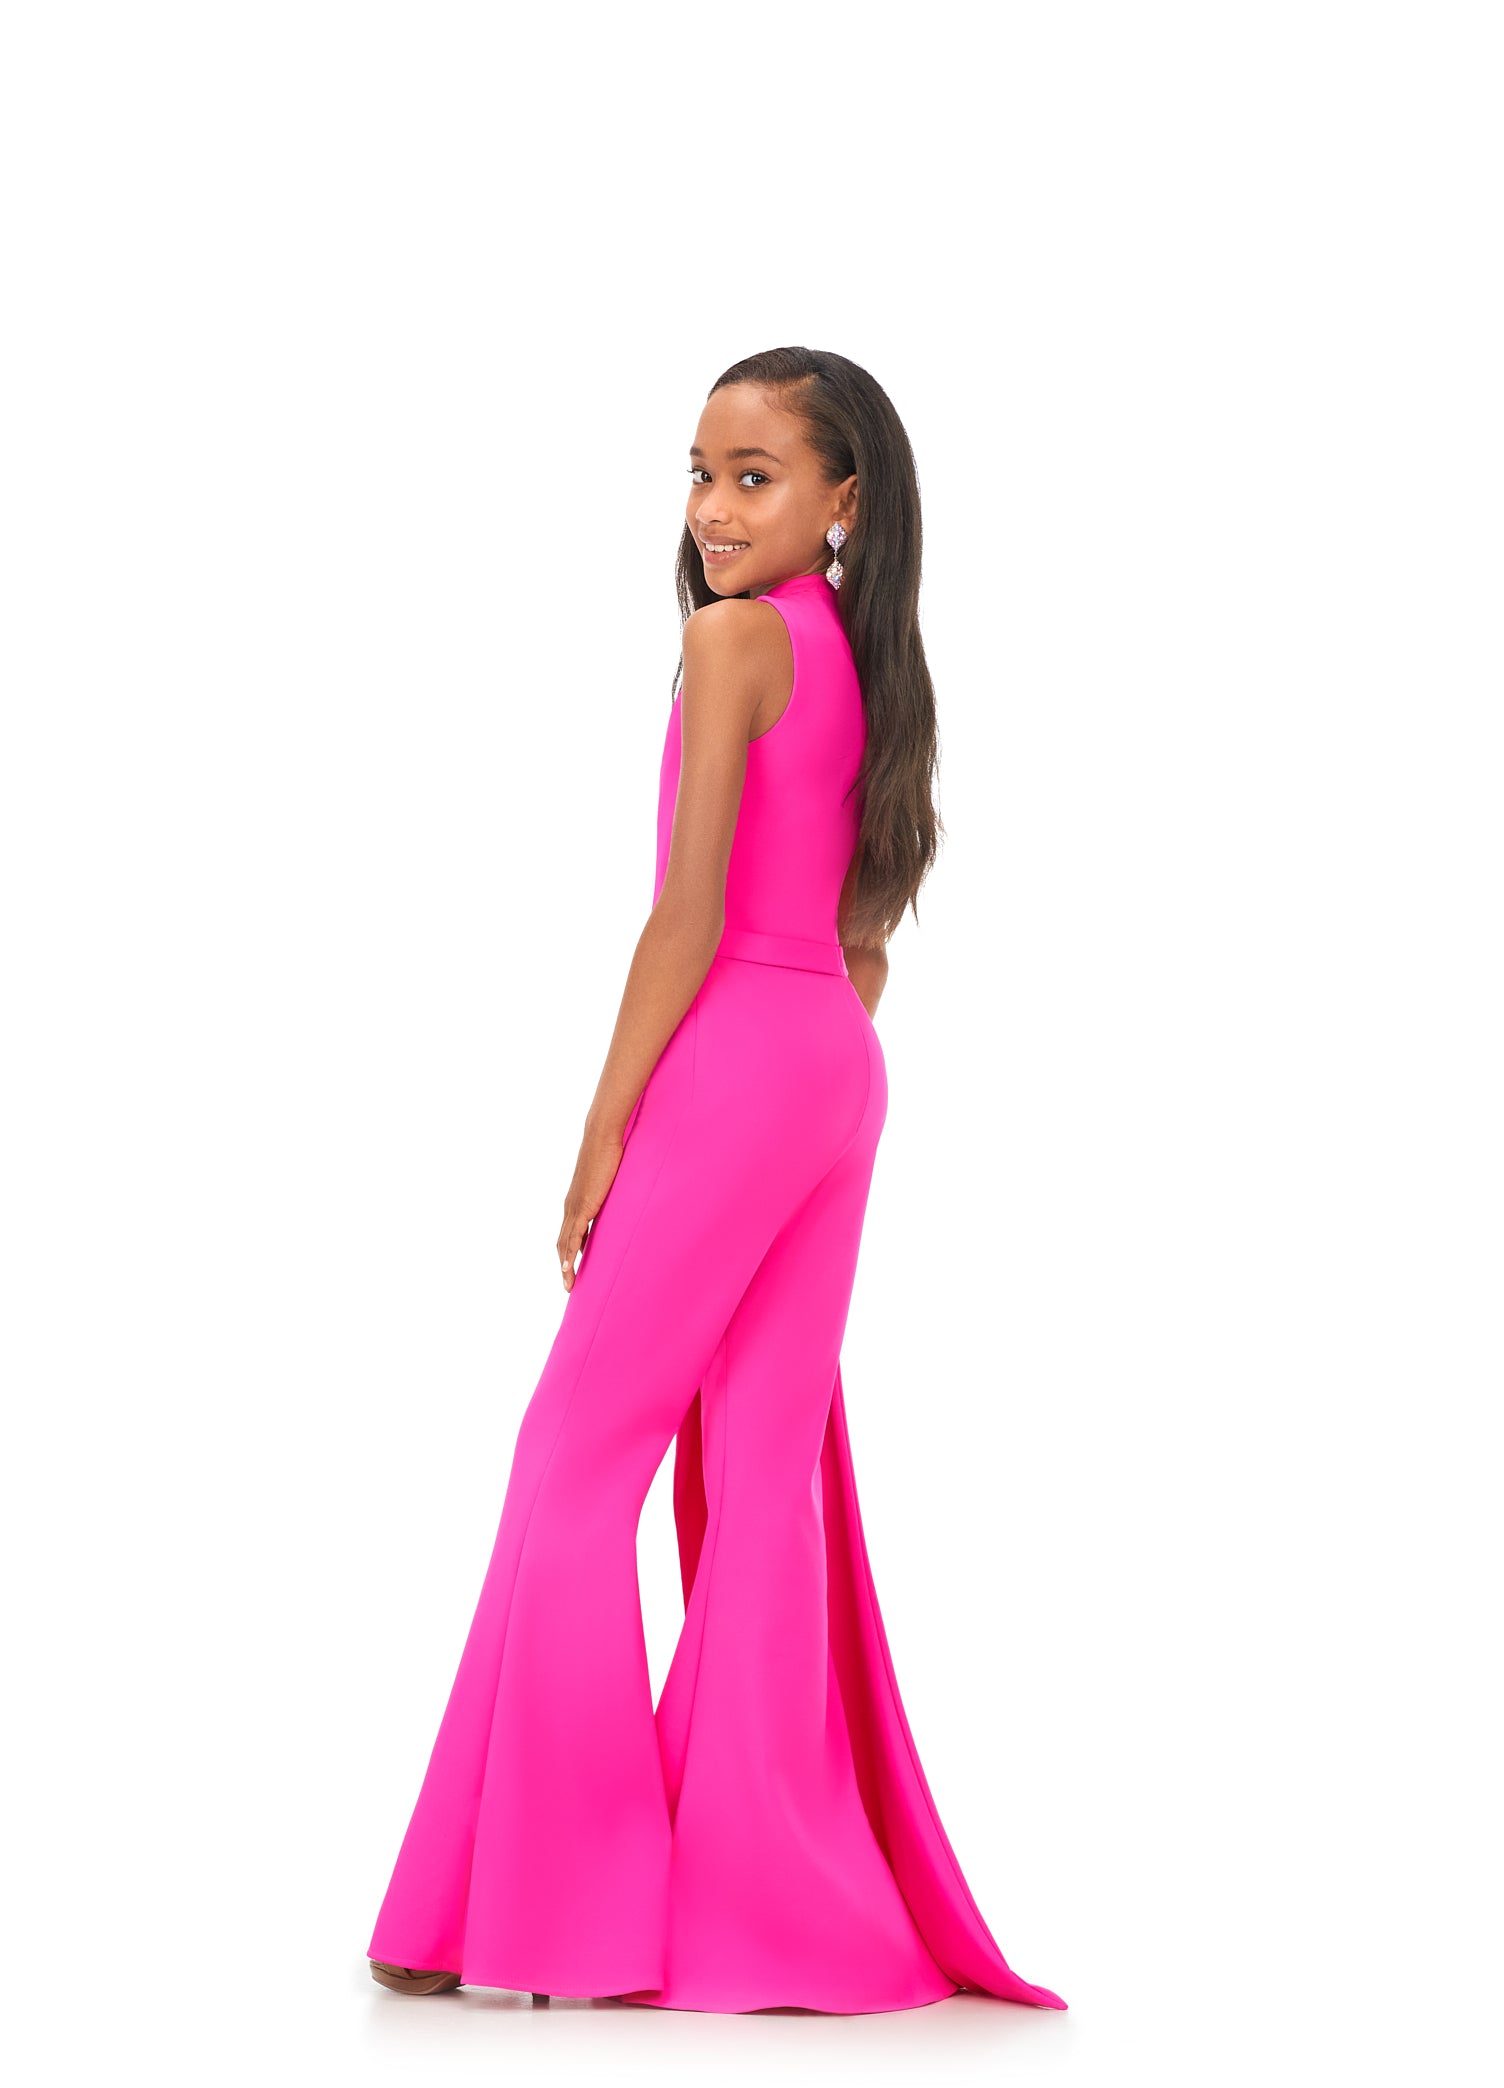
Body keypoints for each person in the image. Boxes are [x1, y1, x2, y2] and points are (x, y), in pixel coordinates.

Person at [366, 345, 1067, 2017]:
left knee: (572, 1460)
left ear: (844, 500)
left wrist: (605, 1131)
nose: (714, 509)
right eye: (699, 473)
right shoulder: (867, 659)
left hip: (740, 1060)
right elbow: (861, 936)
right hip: (833, 1067)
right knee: (765, 1473)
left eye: (755, 476)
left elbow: (685, 918)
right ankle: (771, 1906)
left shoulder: (730, 641)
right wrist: (792, 1064)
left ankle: (555, 1910)